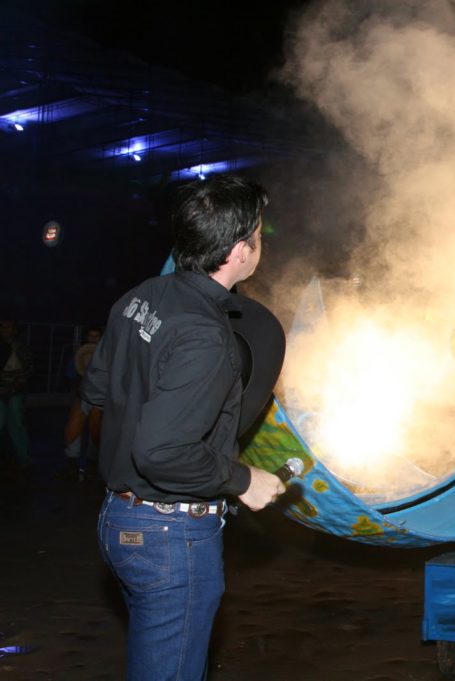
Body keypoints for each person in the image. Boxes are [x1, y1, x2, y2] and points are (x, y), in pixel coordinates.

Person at [81, 175, 286, 680]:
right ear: (240, 250)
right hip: (170, 536)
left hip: (118, 518)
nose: (260, 244)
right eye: (258, 235)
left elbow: (96, 392)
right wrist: (245, 481)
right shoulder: (206, 338)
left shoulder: (140, 297)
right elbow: (163, 451)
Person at [61, 326, 103, 481]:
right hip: (81, 396)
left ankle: (93, 466)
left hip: (100, 399)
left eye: (97, 335)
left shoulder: (109, 354)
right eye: (91, 335)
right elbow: (70, 374)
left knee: (96, 431)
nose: (93, 339)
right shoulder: (79, 354)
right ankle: (71, 464)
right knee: (73, 429)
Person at [0, 319, 33, 475]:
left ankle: (23, 459)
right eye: (2, 326)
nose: (4, 329)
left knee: (17, 426)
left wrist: (16, 385)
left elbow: (28, 369)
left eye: (7, 326)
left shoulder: (21, 348)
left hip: (15, 392)